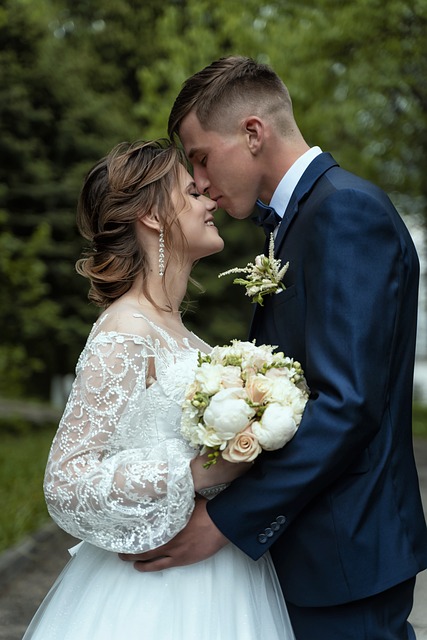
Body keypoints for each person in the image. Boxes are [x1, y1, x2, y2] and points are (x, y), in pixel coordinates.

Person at [119, 57, 427, 639]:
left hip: (344, 553)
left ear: (253, 133)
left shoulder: (344, 212)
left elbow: (346, 405)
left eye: (201, 157)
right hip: (311, 551)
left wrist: (226, 519)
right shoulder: (298, 220)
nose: (201, 181)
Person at [22, 139, 296, 639]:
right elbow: (65, 482)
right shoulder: (126, 330)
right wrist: (193, 470)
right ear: (151, 216)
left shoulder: (188, 339)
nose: (210, 201)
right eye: (192, 192)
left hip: (226, 573)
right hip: (155, 598)